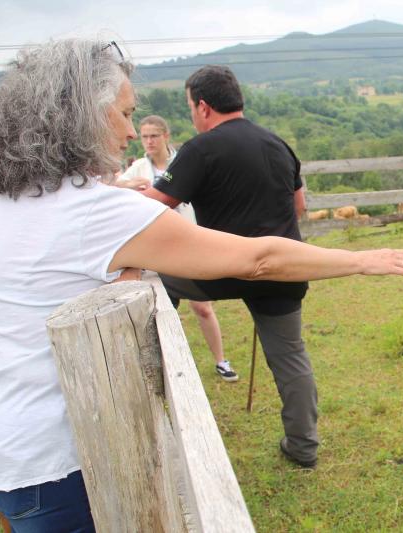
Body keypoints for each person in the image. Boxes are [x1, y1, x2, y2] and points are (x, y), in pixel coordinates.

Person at [0, 38, 403, 532]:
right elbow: (261, 255)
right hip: (61, 458)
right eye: (122, 114)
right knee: (289, 358)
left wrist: (131, 264)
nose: (128, 131)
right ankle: (302, 442)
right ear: (83, 115)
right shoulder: (103, 213)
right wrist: (358, 260)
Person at [140, 65, 326, 469]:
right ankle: (304, 447)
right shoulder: (278, 144)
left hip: (220, 270)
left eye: (191, 106)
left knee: (157, 278)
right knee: (291, 357)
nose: (192, 114)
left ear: (203, 106)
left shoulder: (200, 149)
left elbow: (154, 204)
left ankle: (150, 369)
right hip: (282, 269)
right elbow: (298, 207)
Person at [117, 115, 237, 382]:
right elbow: (113, 189)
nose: (148, 141)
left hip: (188, 244)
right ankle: (165, 369)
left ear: (165, 136)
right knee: (159, 309)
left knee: (203, 307)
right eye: (144, 136)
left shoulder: (183, 162)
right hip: (155, 252)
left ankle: (221, 360)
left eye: (153, 136)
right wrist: (130, 185)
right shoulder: (138, 168)